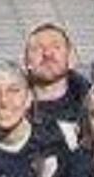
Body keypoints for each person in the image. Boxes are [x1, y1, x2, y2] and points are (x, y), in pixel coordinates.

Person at [24, 22, 89, 151]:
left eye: (56, 47)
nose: (47, 54)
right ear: (26, 61)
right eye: (37, 48)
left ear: (71, 58)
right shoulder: (10, 110)